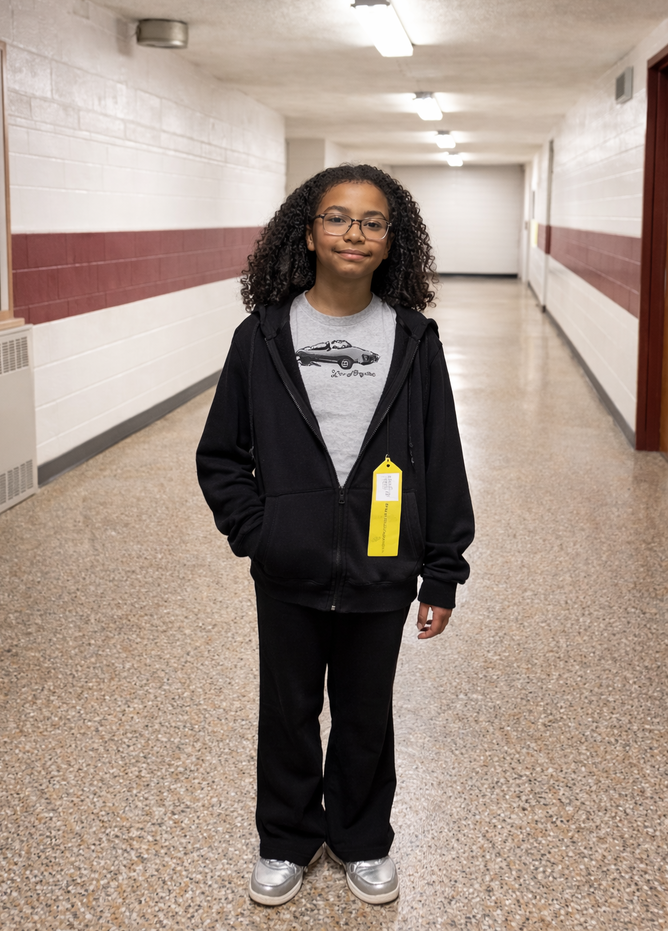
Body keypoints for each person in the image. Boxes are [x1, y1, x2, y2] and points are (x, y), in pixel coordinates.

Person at [196, 163, 474, 907]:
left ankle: (361, 837)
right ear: (308, 233)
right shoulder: (262, 336)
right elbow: (221, 455)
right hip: (287, 565)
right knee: (286, 709)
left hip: (384, 556)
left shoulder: (413, 338)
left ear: (393, 242)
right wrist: (263, 532)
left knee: (364, 707)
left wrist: (442, 569)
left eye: (373, 221)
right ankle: (285, 839)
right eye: (337, 217)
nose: (354, 232)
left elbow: (441, 455)